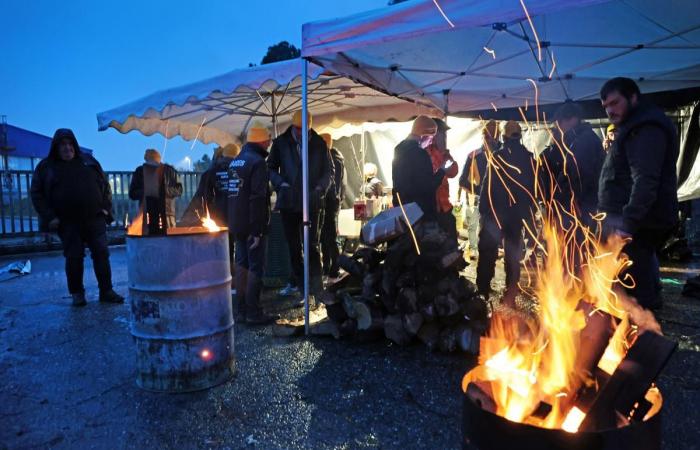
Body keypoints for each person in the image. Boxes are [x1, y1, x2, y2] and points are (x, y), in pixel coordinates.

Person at [598, 77, 679, 310]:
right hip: (631, 223)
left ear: (633, 97)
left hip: (638, 226)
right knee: (627, 286)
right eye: (606, 107)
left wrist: (627, 224)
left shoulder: (645, 130)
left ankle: (643, 339)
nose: (610, 111)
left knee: (636, 293)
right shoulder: (634, 126)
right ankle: (633, 336)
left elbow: (645, 181)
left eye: (615, 103)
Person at [30, 129, 123, 306]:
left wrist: (105, 209)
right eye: (62, 145)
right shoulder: (46, 167)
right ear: (56, 148)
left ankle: (107, 290)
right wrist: (50, 217)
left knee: (102, 253)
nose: (67, 148)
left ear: (75, 145)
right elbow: (37, 194)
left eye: (70, 144)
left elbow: (105, 186)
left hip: (95, 217)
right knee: (74, 257)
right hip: (67, 222)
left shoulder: (89, 161)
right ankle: (77, 294)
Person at [268, 110, 331, 298]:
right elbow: (270, 168)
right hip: (289, 202)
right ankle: (301, 285)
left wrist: (320, 189)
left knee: (312, 245)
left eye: (304, 129)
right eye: (297, 129)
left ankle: (317, 288)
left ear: (310, 127)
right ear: (293, 127)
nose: (300, 133)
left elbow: (329, 170)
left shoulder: (319, 143)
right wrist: (281, 184)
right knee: (293, 246)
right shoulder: (280, 143)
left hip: (311, 201)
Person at [476, 121, 536, 304]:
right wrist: (529, 215)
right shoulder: (529, 158)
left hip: (495, 215)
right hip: (516, 217)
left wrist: (483, 211)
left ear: (503, 136)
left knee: (487, 253)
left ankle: (482, 291)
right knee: (512, 256)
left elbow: (487, 186)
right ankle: (510, 293)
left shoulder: (497, 157)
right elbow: (533, 191)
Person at [228, 122, 275, 324]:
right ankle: (253, 313)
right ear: (263, 140)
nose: (270, 143)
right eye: (269, 139)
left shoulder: (236, 161)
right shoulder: (258, 162)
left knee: (241, 266)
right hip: (251, 224)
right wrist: (257, 231)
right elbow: (257, 198)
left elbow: (231, 194)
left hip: (236, 223)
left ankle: (240, 311)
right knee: (255, 268)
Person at [552, 102, 605, 221]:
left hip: (583, 210)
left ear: (572, 119)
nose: (558, 127)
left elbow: (581, 178)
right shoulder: (578, 140)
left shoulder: (584, 141)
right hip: (581, 207)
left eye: (560, 122)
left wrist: (570, 202)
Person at [392, 115, 450, 218]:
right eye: (431, 138)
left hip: (402, 208)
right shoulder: (420, 153)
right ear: (424, 135)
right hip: (419, 211)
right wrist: (442, 170)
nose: (431, 142)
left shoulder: (398, 148)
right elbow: (427, 186)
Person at [458, 120, 499, 258]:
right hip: (475, 197)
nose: (492, 139)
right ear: (483, 136)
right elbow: (462, 180)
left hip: (494, 200)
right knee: (473, 226)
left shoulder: (502, 156)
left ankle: (487, 252)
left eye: (495, 136)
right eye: (488, 136)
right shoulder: (474, 155)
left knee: (489, 230)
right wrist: (479, 190)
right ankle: (475, 250)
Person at [181, 143, 240, 226]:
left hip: (216, 222)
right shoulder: (242, 173)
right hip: (238, 221)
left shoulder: (209, 173)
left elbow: (202, 197)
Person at [128, 149, 182, 234]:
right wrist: (147, 191)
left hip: (167, 214)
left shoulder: (169, 171)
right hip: (147, 215)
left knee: (168, 239)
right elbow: (132, 193)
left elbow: (179, 190)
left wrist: (164, 191)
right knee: (151, 240)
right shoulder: (140, 171)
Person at [426, 118, 459, 241]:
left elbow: (453, 172)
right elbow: (434, 174)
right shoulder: (426, 152)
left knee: (450, 239)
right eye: (442, 133)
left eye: (445, 134)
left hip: (444, 205)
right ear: (434, 134)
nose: (445, 137)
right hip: (431, 209)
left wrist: (445, 154)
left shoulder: (444, 153)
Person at [319, 133, 345, 279]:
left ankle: (333, 266)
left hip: (330, 203)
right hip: (330, 202)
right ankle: (328, 266)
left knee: (330, 236)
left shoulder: (333, 158)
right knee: (326, 236)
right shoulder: (334, 157)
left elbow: (333, 184)